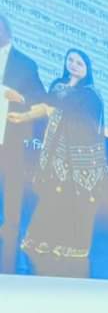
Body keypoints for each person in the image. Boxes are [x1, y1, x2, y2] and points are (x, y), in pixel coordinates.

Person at [10, 48, 103, 278]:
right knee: (49, 196)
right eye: (70, 60)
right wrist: (22, 116)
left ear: (87, 68)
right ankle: (42, 240)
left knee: (70, 201)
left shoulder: (90, 95)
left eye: (79, 62)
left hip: (78, 159)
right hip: (54, 153)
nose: (73, 65)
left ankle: (70, 245)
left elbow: (84, 122)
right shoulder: (57, 86)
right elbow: (46, 107)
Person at [0, 16, 47, 273]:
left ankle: (10, 229)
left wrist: (21, 98)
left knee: (12, 183)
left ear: (7, 30)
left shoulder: (26, 64)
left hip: (11, 134)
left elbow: (40, 98)